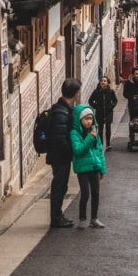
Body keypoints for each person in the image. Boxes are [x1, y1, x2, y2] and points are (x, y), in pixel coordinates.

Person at [46, 78, 81, 228]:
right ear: (75, 93)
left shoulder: (62, 108)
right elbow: (59, 139)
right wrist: (71, 150)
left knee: (61, 185)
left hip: (59, 155)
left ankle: (58, 216)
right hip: (60, 156)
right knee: (59, 186)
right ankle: (56, 218)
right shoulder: (61, 112)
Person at [70, 104, 107, 228]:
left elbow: (100, 150)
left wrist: (102, 168)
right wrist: (90, 137)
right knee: (85, 193)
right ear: (80, 120)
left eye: (91, 118)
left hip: (95, 167)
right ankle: (82, 219)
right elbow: (78, 150)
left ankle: (94, 218)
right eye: (86, 119)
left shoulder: (94, 131)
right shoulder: (75, 133)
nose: (89, 121)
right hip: (83, 169)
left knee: (96, 194)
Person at [88, 76, 118, 150]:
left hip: (108, 113)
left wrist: (111, 107)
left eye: (105, 81)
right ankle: (100, 144)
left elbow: (115, 101)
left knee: (108, 127)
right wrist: (96, 107)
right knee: (100, 129)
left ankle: (108, 144)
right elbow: (90, 101)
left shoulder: (111, 92)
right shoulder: (96, 92)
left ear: (107, 83)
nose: (103, 82)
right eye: (102, 81)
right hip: (99, 113)